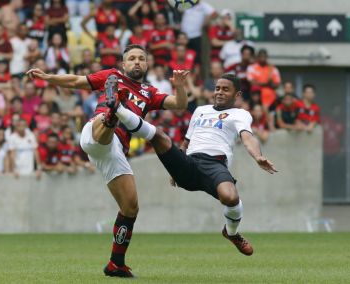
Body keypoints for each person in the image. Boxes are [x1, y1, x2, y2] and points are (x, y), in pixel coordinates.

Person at [26, 44, 189, 278]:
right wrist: (48, 77)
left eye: (141, 59)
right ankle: (113, 113)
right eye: (131, 58)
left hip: (114, 152)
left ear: (146, 64)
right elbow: (75, 81)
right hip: (95, 131)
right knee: (106, 122)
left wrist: (180, 86)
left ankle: (116, 264)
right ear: (124, 64)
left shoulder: (149, 92)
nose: (136, 62)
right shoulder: (111, 75)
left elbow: (180, 104)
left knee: (130, 207)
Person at [146, 74, 277, 256]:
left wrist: (257, 156)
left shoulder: (240, 114)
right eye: (217, 88)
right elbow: (186, 142)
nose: (220, 92)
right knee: (158, 135)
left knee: (230, 198)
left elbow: (247, 137)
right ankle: (120, 111)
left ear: (236, 94)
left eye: (225, 89)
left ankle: (231, 233)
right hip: (190, 163)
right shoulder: (200, 110)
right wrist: (173, 167)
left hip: (214, 164)